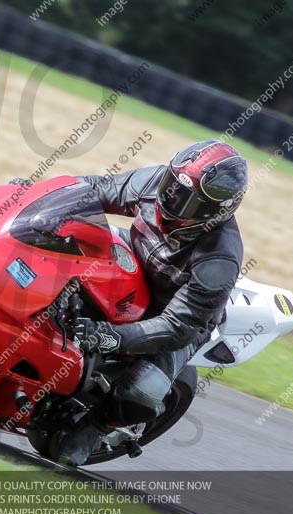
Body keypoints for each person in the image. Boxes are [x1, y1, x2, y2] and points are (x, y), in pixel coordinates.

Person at [59, 140, 248, 466]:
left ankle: (97, 426)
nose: (170, 199)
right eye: (172, 186)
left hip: (171, 315)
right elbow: (95, 189)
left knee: (144, 388)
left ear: (214, 212)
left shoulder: (220, 257)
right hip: (130, 260)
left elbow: (176, 327)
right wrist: (38, 196)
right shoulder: (157, 183)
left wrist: (108, 335)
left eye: (186, 200)